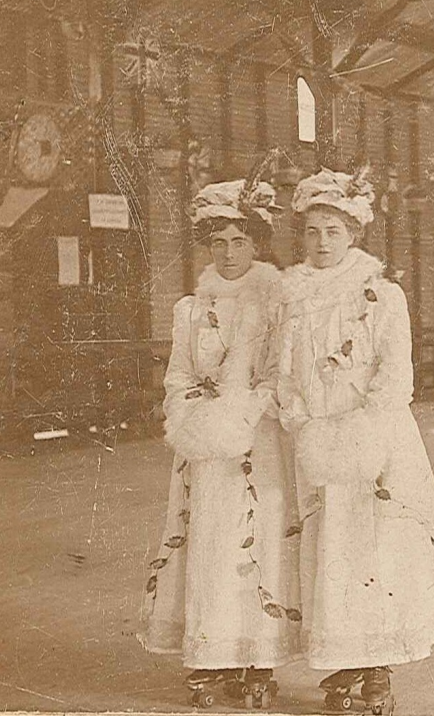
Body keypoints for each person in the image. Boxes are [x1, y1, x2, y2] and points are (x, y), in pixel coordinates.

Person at [276, 168, 434, 714]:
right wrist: (300, 418)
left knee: (374, 546)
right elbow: (283, 371)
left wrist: (362, 429)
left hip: (373, 437)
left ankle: (378, 663)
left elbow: (395, 374)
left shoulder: (381, 295)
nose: (321, 243)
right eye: (312, 231)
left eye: (333, 231)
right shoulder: (291, 297)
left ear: (353, 233)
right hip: (315, 437)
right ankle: (341, 658)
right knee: (329, 545)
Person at [139, 177, 299, 708]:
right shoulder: (191, 309)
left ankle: (259, 656)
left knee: (257, 544)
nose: (228, 254)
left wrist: (243, 410)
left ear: (258, 245)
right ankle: (211, 655)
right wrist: (192, 419)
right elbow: (178, 377)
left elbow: (280, 377)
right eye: (218, 243)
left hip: (259, 445)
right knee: (209, 545)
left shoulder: (277, 304)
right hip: (206, 449)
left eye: (239, 242)